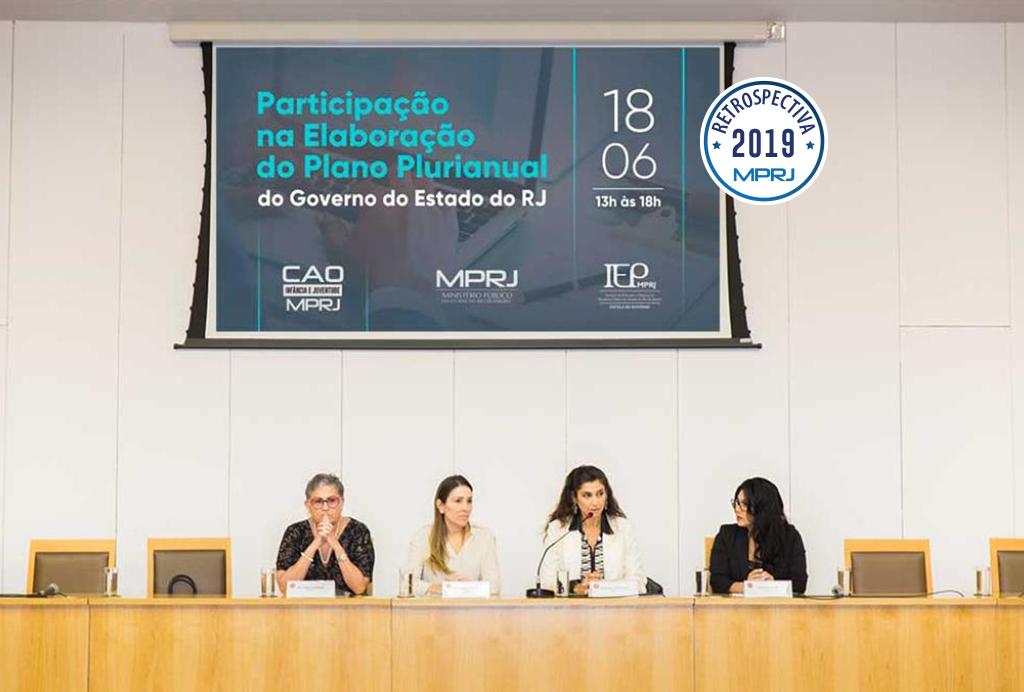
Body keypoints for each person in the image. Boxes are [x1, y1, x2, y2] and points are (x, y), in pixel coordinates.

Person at [541, 465, 645, 595]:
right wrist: (577, 588)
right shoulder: (558, 529)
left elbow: (638, 581)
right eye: (587, 495)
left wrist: (603, 587)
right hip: (571, 607)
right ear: (574, 498)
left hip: (615, 606)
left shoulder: (623, 528)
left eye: (600, 494)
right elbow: (547, 582)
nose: (595, 502)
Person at [275, 473, 374, 596]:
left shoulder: (358, 531)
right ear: (308, 505)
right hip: (304, 606)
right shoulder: (295, 532)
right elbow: (285, 588)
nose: (325, 507)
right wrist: (315, 544)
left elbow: (359, 587)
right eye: (318, 501)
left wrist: (335, 543)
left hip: (347, 607)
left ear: (342, 502)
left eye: (332, 501)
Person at [402, 475, 501, 596]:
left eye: (469, 501)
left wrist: (467, 587)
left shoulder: (484, 537)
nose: (465, 508)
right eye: (458, 501)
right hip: (434, 608)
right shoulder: (422, 537)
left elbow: (494, 585)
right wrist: (441, 588)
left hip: (472, 608)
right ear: (441, 506)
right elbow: (407, 584)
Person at [709, 477, 807, 594]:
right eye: (737, 503)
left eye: (744, 504)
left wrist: (773, 585)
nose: (737, 509)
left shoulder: (789, 537)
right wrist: (747, 586)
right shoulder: (726, 535)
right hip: (738, 605)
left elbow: (799, 584)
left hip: (776, 605)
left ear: (763, 508)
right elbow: (717, 581)